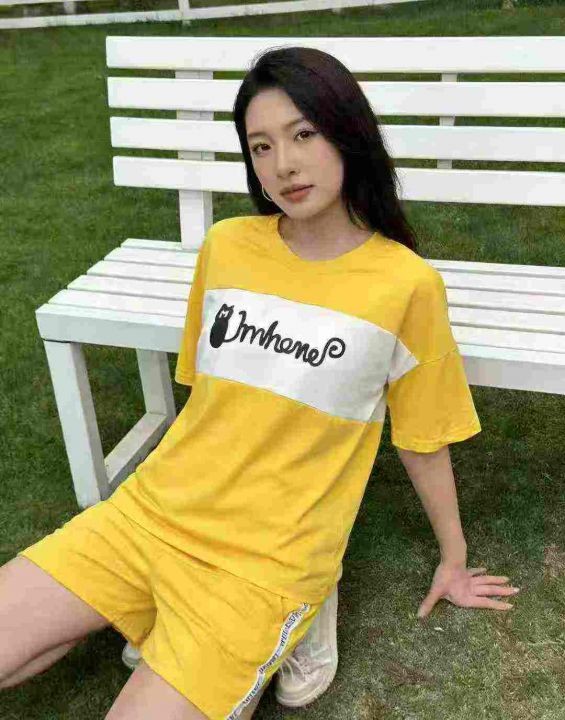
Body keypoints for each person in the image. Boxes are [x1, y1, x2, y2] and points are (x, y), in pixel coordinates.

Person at [0, 46, 519, 720]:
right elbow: (212, 399)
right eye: (261, 146)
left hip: (264, 567)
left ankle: (298, 614)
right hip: (149, 515)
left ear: (348, 133)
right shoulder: (226, 246)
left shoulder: (407, 285)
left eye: (304, 134)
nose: (283, 165)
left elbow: (423, 438)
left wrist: (453, 557)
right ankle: (152, 610)